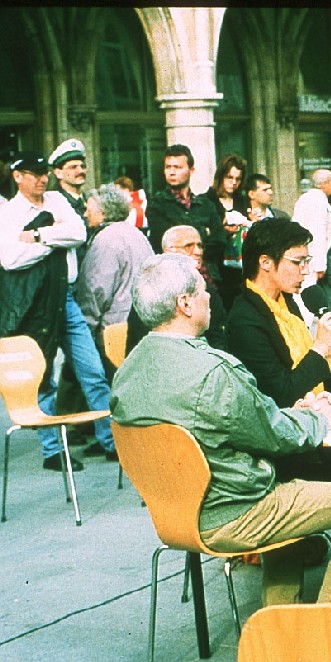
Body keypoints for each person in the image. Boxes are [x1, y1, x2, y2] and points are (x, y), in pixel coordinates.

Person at [110, 253, 331, 606]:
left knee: (290, 506)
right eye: (204, 290)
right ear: (185, 303)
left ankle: (283, 626)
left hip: (174, 514)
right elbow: (277, 435)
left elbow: (239, 423)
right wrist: (320, 417)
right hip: (235, 510)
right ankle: (324, 625)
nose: (210, 298)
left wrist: (286, 415)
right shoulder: (213, 371)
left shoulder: (127, 372)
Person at [0, 150, 101, 470]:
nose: (42, 179)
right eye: (34, 174)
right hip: (35, 299)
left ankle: (112, 440)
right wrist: (54, 242)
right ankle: (52, 450)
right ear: (18, 177)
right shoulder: (9, 212)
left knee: (93, 370)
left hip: (66, 297)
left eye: (44, 173)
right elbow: (11, 258)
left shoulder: (56, 201)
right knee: (43, 377)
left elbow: (78, 233)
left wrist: (38, 235)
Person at [227, 218, 331, 408]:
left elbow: (309, 373)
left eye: (307, 261)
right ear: (266, 262)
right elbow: (282, 393)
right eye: (297, 262)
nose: (306, 271)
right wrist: (321, 345)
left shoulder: (286, 300)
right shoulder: (245, 320)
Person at [76, 184, 154, 373]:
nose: (85, 214)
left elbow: (95, 290)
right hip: (143, 324)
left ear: (103, 213)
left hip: (114, 332)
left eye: (89, 209)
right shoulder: (137, 234)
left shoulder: (105, 240)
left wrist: (86, 330)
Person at [126, 225, 228, 354]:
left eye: (200, 245)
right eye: (188, 246)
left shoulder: (207, 290)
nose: (198, 251)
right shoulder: (149, 289)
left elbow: (218, 334)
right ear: (169, 252)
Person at [146, 144, 225, 282]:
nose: (171, 172)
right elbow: (167, 244)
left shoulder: (205, 204)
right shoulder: (157, 204)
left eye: (177, 167)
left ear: (191, 170)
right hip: (174, 279)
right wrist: (204, 232)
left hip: (209, 279)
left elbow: (219, 241)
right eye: (168, 167)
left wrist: (186, 241)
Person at [203, 154, 249, 309]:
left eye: (238, 179)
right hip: (216, 269)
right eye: (230, 177)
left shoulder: (242, 201)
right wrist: (222, 231)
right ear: (221, 176)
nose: (233, 182)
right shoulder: (206, 201)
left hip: (240, 269)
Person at [292, 169, 331, 289]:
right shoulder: (318, 201)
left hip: (307, 254)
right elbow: (318, 234)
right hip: (317, 255)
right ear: (324, 184)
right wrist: (320, 265)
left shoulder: (304, 199)